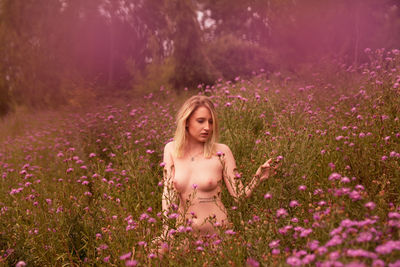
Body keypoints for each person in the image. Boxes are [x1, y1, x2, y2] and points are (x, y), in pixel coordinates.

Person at [160, 95, 280, 241]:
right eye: (200, 121)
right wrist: (166, 233)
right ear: (186, 122)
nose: (207, 127)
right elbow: (167, 194)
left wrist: (258, 177)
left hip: (217, 235)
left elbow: (238, 196)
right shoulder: (171, 149)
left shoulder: (222, 152)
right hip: (184, 235)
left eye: (211, 122)